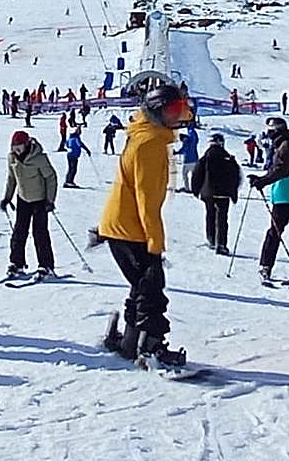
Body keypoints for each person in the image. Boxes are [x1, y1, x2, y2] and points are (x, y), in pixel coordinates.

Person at [96, 83, 192, 367]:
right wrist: (155, 242)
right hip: (130, 227)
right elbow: (146, 199)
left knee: (142, 286)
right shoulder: (149, 143)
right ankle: (151, 348)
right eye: (173, 110)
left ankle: (131, 342)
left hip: (124, 225)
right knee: (151, 288)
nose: (178, 115)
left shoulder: (148, 136)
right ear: (157, 111)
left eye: (180, 109)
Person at [249, 118, 289, 283]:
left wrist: (262, 181)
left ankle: (266, 266)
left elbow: (280, 170)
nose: (268, 134)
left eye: (270, 131)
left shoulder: (285, 146)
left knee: (275, 232)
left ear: (277, 131)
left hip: (284, 196)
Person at [1, 130, 57, 278]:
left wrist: (50, 200)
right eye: (14, 147)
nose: (16, 150)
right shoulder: (12, 158)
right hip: (23, 199)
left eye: (19, 147)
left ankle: (46, 265)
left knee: (40, 233)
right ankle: (17, 263)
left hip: (40, 200)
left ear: (26, 145)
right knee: (19, 232)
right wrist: (7, 198)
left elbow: (51, 178)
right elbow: (11, 178)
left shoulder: (39, 158)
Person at [191, 133, 241, 255]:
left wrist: (196, 190)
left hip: (208, 192)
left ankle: (211, 239)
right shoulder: (228, 158)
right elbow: (236, 176)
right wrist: (233, 192)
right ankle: (221, 244)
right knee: (222, 218)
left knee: (210, 215)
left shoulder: (205, 158)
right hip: (224, 193)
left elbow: (197, 174)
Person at [174, 122, 199, 193]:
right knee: (194, 175)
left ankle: (187, 188)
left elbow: (184, 149)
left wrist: (177, 152)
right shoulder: (193, 137)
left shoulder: (186, 142)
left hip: (187, 161)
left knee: (185, 174)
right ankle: (195, 188)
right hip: (195, 159)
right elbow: (195, 138)